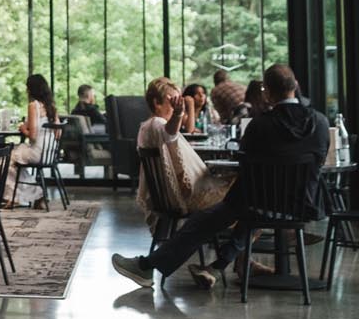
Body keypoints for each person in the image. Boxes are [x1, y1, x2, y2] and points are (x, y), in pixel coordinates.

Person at [112, 63, 330, 291]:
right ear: (294, 86)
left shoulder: (260, 125)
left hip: (261, 203)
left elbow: (246, 164)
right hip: (304, 203)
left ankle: (148, 265)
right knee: (248, 212)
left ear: (267, 92)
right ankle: (218, 266)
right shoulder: (320, 122)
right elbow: (319, 161)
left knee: (209, 218)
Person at [132, 78, 232, 286]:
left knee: (246, 202)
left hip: (167, 196)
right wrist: (178, 114)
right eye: (173, 100)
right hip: (180, 198)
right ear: (157, 103)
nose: (178, 105)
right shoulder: (157, 124)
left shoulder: (147, 126)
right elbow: (170, 134)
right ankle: (232, 261)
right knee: (247, 199)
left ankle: (228, 264)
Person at [7, 74, 61, 209]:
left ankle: (16, 197)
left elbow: (33, 137)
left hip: (37, 152)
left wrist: (22, 129)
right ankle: (35, 195)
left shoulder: (33, 105)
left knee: (4, 159)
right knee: (14, 163)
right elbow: (58, 133)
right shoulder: (51, 106)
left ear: (31, 89)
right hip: (50, 152)